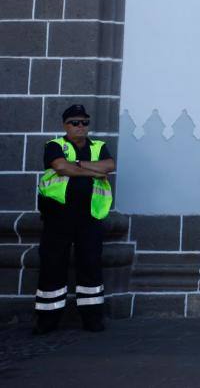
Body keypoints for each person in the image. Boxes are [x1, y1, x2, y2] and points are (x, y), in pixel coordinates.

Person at [34, 104, 116, 334]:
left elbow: (109, 166)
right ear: (65, 125)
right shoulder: (55, 145)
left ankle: (92, 319)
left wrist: (77, 166)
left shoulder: (99, 146)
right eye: (75, 123)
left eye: (84, 122)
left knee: (90, 265)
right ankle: (47, 321)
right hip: (57, 217)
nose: (80, 127)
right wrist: (91, 170)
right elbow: (60, 167)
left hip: (89, 217)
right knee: (52, 265)